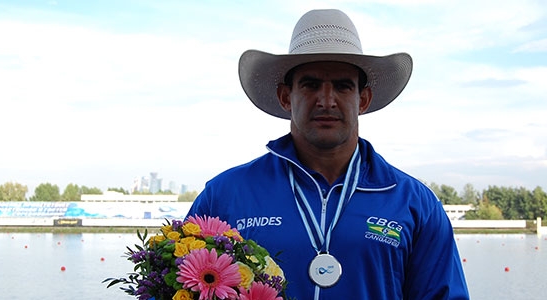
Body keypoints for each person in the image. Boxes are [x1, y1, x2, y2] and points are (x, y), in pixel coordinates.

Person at [186, 8, 469, 299]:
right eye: (310, 85)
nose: (326, 100)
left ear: (364, 99)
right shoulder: (226, 195)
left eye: (343, 86)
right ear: (286, 97)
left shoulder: (414, 203)